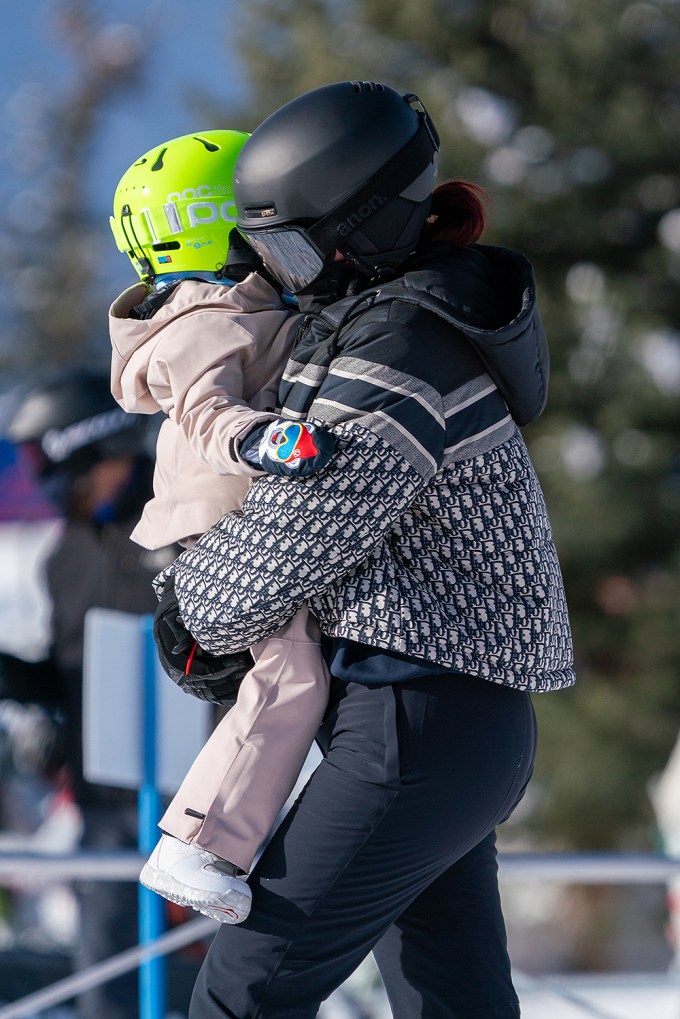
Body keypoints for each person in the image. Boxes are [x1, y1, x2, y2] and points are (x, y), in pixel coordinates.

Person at [161, 81, 576, 1019]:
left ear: (368, 225)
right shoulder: (388, 321)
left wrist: (188, 606)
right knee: (450, 995)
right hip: (445, 719)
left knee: (245, 989)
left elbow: (301, 525)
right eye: (263, 250)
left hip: (412, 720)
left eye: (295, 246)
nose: (286, 272)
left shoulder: (402, 345)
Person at [108, 129, 336, 926]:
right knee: (292, 676)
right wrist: (260, 436)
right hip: (226, 518)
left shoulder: (238, 305)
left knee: (289, 682)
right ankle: (199, 839)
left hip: (245, 515)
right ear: (219, 222)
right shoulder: (202, 317)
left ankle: (239, 821)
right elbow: (206, 412)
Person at [4, 367, 176, 1019]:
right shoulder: (66, 554)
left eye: (56, 470)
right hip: (107, 794)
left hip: (205, 792)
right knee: (108, 962)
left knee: (237, 954)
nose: (52, 492)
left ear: (100, 446)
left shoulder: (179, 519)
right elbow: (67, 667)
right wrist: (21, 680)